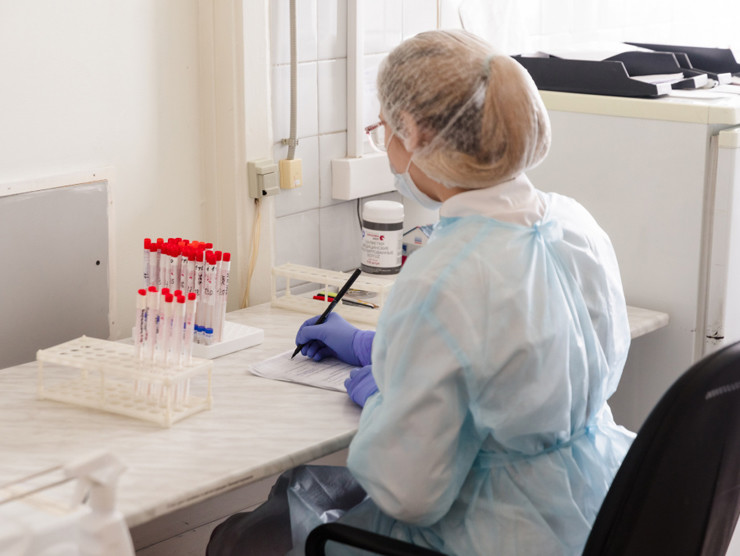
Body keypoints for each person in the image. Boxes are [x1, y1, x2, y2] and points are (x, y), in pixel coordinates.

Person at [208, 29, 633, 555]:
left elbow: (407, 494)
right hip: (595, 507)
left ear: (413, 134)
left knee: (242, 538)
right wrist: (373, 348)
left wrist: (384, 401)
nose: (384, 145)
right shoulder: (573, 224)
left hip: (489, 534)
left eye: (383, 129)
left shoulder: (443, 275)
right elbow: (528, 358)